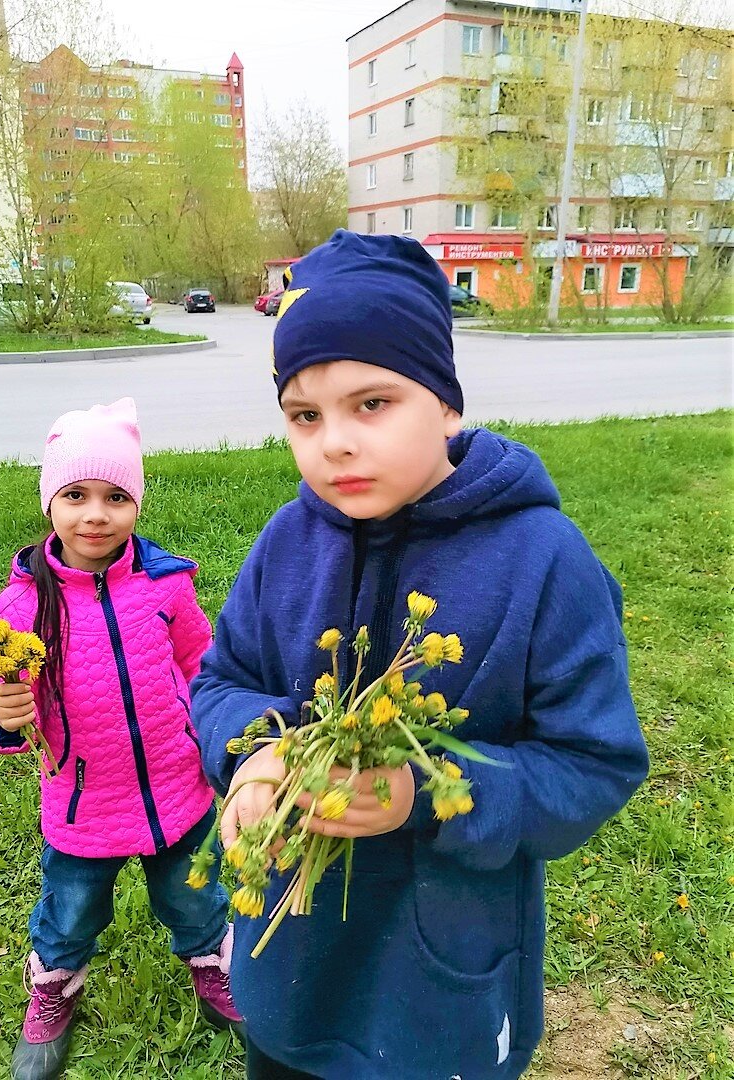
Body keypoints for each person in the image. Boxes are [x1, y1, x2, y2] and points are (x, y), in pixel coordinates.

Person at [191, 231, 649, 1080]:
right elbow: (221, 680)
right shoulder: (287, 543)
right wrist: (253, 757)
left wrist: (429, 794)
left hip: (440, 994)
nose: (333, 443)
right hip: (285, 966)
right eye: (304, 415)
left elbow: (593, 764)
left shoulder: (544, 562)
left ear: (445, 402)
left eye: (373, 403)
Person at [0, 398, 242, 1080]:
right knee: (71, 908)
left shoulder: (166, 585)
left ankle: (214, 968)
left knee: (195, 897)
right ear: (49, 503)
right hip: (82, 803)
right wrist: (3, 710)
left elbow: (200, 664)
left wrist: (214, 735)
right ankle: (56, 985)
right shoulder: (26, 604)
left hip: (178, 786)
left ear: (137, 505)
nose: (95, 514)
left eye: (116, 496)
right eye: (76, 495)